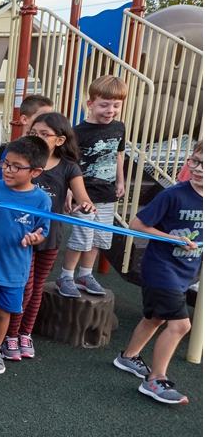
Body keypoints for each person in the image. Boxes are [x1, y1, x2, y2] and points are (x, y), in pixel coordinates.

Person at [3, 113, 95, 360]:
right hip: (20, 237)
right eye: (34, 133)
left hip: (49, 236)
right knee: (23, 287)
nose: (38, 138)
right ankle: (10, 335)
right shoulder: (21, 161)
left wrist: (85, 205)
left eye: (45, 134)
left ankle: (25, 333)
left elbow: (81, 195)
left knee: (35, 290)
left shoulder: (68, 166)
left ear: (60, 139)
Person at [118, 141, 202, 404]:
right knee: (181, 325)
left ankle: (128, 357)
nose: (198, 169)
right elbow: (137, 224)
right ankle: (155, 380)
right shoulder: (173, 195)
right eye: (195, 161)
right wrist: (172, 239)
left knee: (155, 318)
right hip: (161, 269)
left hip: (185, 270)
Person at [0, 136, 51, 376]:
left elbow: (42, 230)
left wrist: (36, 237)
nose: (7, 170)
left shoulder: (41, 199)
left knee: (4, 312)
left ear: (35, 171)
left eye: (16, 167)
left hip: (16, 270)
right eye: (5, 163)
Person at [56, 75, 127, 298]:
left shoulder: (119, 127)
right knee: (81, 236)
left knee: (98, 237)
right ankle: (65, 276)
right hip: (83, 193)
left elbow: (117, 154)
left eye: (116, 105)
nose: (110, 110)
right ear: (90, 104)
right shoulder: (78, 132)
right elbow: (69, 162)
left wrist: (121, 180)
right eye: (104, 105)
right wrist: (69, 189)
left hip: (106, 193)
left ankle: (85, 275)